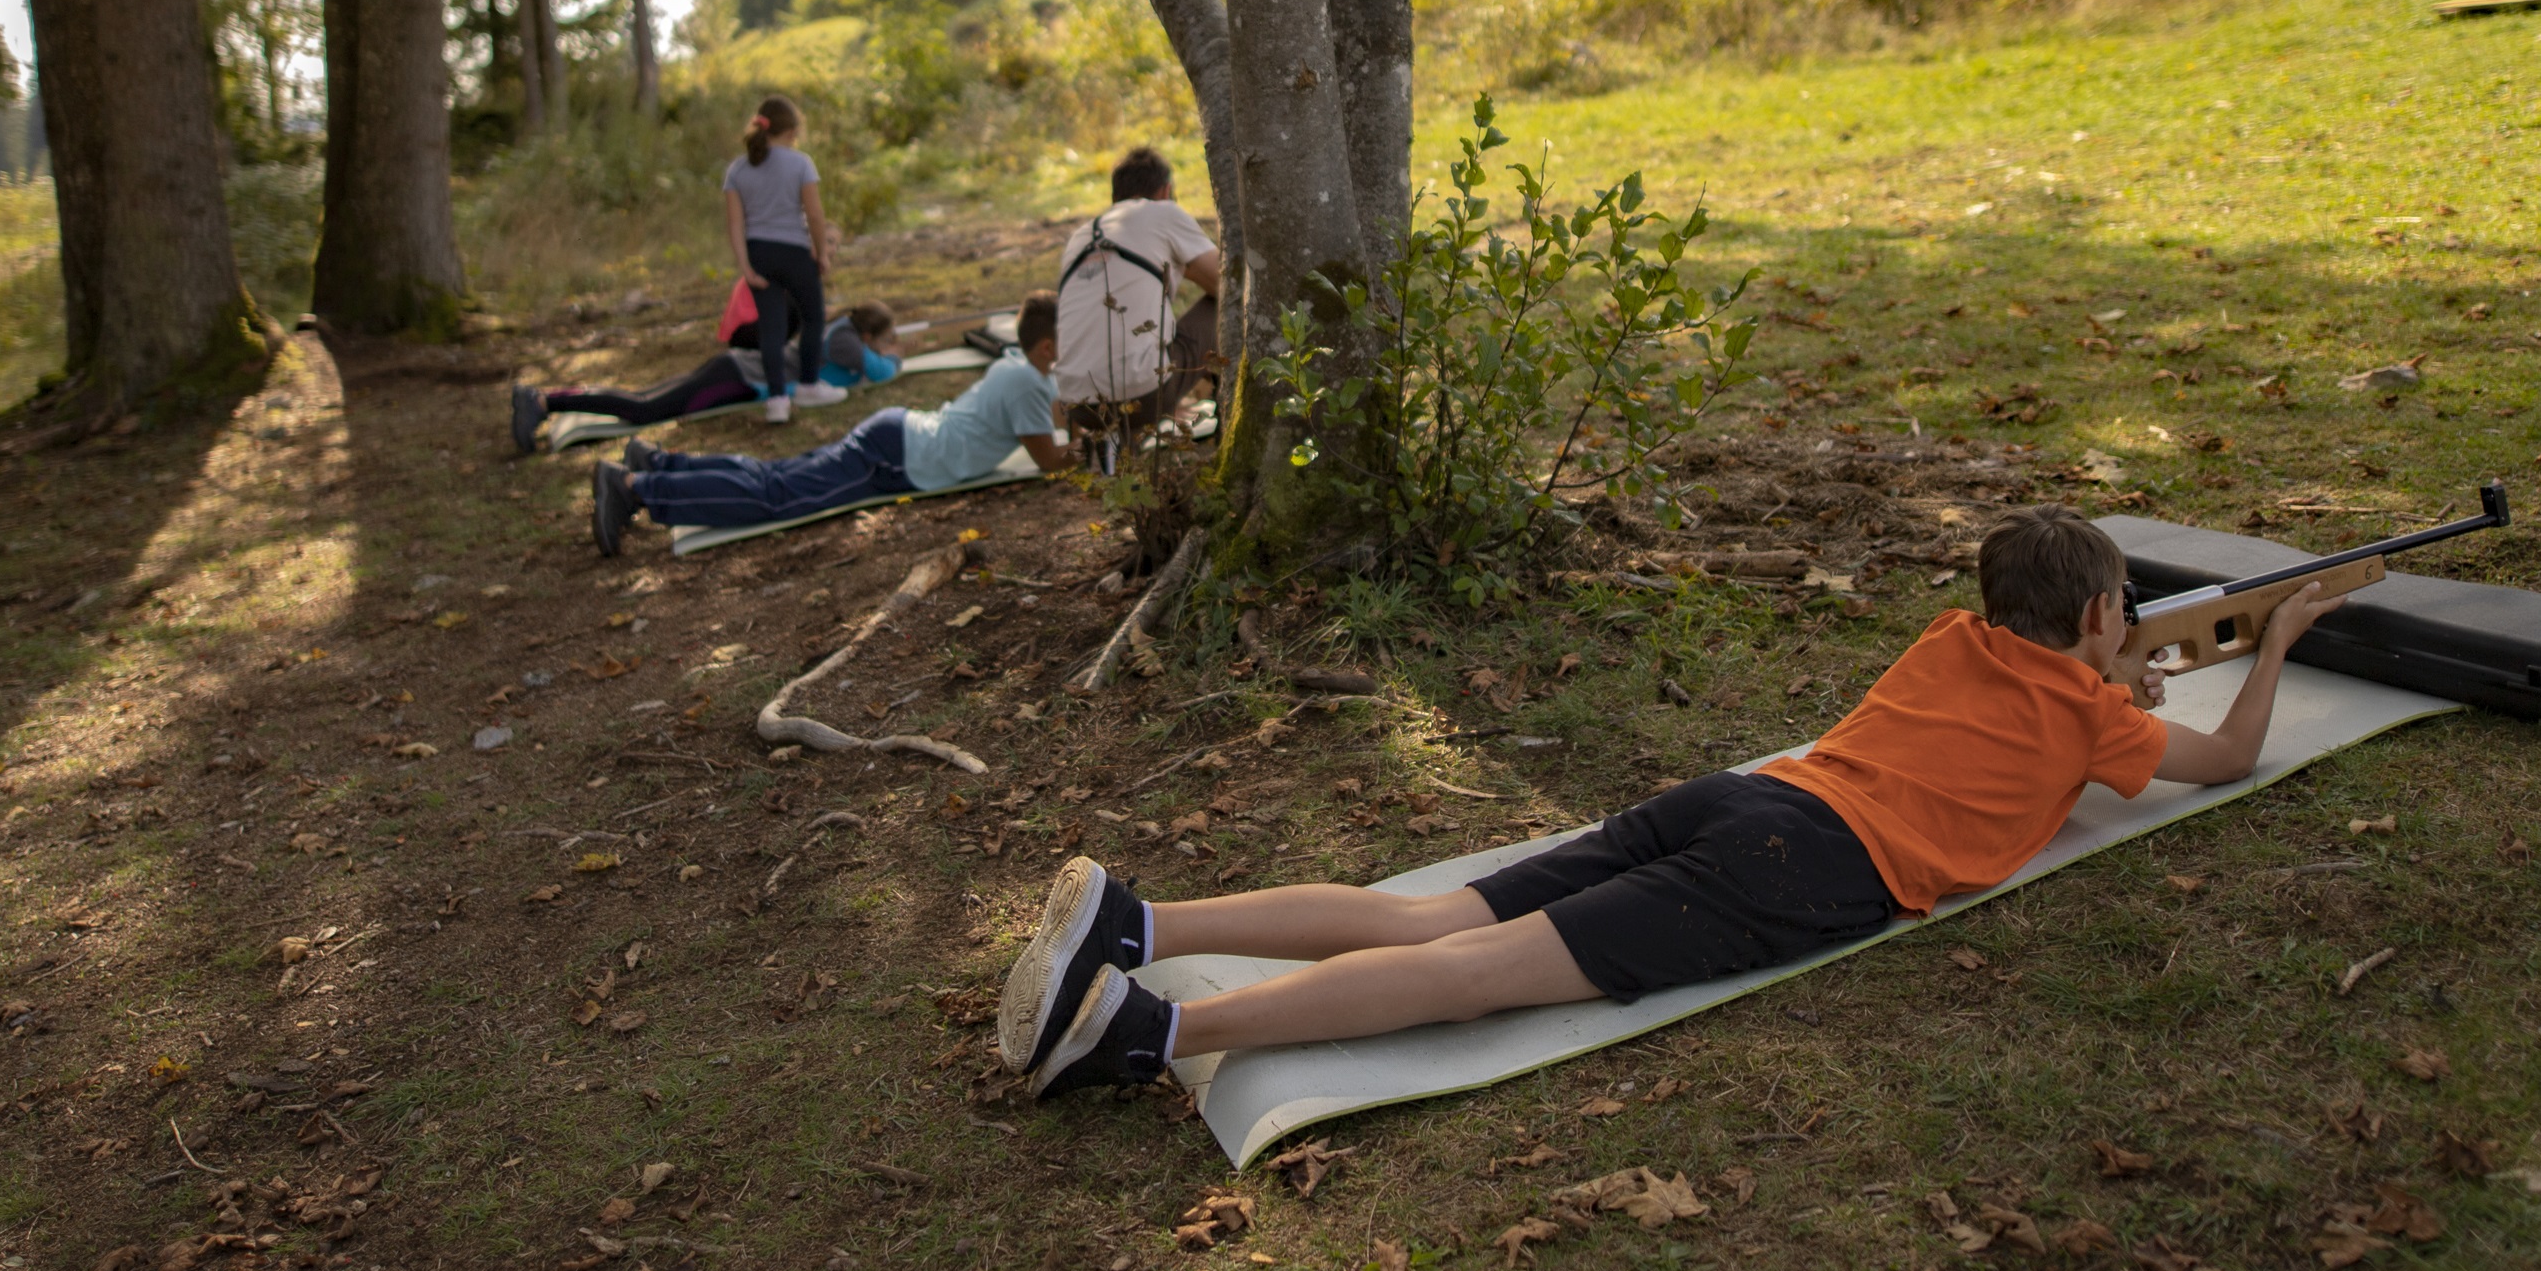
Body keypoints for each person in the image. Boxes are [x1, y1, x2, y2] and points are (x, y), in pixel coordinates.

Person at [997, 505, 2345, 1097]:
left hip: (1740, 799)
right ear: (2108, 617)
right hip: (1798, 865)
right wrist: (2273, 641)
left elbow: (2035, 695)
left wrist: (2120, 669)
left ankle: (1142, 922)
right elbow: (2220, 761)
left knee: (1430, 919)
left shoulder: (1952, 640)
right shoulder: (2097, 713)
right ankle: (1151, 1036)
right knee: (1474, 974)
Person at [588, 292, 1073, 552]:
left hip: (898, 437)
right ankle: (634, 486)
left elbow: (1057, 411)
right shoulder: (1028, 384)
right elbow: (1050, 458)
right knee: (777, 496)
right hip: (896, 457)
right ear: (1048, 348)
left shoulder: (1019, 366)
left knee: (775, 476)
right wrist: (1096, 446)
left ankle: (656, 462)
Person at [508, 303, 898, 455]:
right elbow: (879, 372)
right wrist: (894, 359)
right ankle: (543, 402)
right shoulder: (846, 341)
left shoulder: (841, 334)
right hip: (740, 376)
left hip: (736, 368)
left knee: (642, 397)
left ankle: (546, 400)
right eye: (881, 341)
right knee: (645, 411)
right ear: (868, 337)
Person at [1051, 145, 1223, 438]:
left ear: (1115, 196)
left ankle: (1121, 463)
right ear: (1166, 190)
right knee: (1222, 304)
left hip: (1078, 404)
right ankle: (1226, 418)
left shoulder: (1081, 236)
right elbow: (1226, 282)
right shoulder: (1162, 212)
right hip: (1143, 396)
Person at [724, 94, 839, 425]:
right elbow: (815, 215)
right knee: (813, 315)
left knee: (771, 329)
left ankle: (777, 401)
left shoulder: (738, 168)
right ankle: (808, 385)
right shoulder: (800, 163)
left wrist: (746, 267)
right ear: (791, 131)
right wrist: (820, 252)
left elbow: (736, 223)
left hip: (759, 253)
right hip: (793, 251)